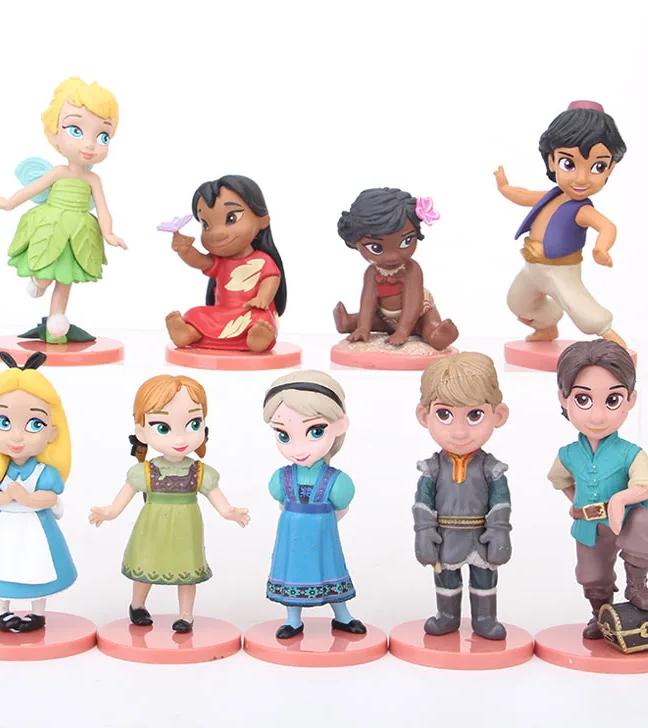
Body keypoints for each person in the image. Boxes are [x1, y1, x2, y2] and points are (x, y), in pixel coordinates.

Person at [89, 375, 250, 632]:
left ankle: (186, 615)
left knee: (186, 571)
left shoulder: (200, 472)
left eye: (193, 424)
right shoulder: (143, 472)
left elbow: (219, 501)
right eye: (163, 428)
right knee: (146, 565)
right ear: (141, 430)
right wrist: (108, 512)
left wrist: (230, 512)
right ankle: (137, 606)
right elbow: (119, 503)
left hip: (186, 528)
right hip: (152, 527)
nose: (180, 439)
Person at [0, 77, 126, 343]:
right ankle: (39, 282)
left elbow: (103, 209)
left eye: (102, 136)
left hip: (79, 232)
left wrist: (108, 234)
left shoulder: (93, 179)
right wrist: (9, 203)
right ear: (54, 134)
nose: (90, 144)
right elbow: (32, 190)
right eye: (76, 130)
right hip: (51, 224)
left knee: (66, 277)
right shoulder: (58, 172)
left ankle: (57, 318)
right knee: (45, 269)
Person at [549, 340, 648, 638]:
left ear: (630, 400)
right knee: (591, 574)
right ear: (564, 399)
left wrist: (621, 500)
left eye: (612, 400)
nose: (598, 416)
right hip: (590, 526)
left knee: (645, 521)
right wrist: (579, 504)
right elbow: (559, 480)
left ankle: (637, 585)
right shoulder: (568, 454)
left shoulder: (630, 453)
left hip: (627, 521)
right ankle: (600, 615)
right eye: (583, 399)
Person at [495, 101, 627, 348]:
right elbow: (524, 196)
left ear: (610, 168)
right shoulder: (552, 196)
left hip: (561, 271)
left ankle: (611, 337)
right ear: (552, 161)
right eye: (569, 164)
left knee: (583, 309)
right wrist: (504, 187)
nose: (581, 178)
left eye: (597, 167)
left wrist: (601, 248)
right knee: (518, 302)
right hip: (532, 266)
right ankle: (547, 327)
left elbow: (607, 227)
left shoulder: (582, 210)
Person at [0, 352, 76, 633]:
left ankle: (37, 613)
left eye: (34, 425)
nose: (17, 436)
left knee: (37, 566)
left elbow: (50, 497)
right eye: (4, 423)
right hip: (3, 527)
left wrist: (27, 498)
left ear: (52, 433)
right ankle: (2, 612)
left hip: (35, 528)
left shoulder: (44, 473)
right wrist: (6, 497)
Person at [413, 352, 511, 639]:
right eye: (444, 415)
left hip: (481, 537)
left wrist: (499, 532)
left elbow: (501, 504)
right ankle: (447, 616)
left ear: (498, 415)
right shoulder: (432, 469)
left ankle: (485, 618)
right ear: (424, 416)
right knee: (445, 578)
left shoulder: (491, 469)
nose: (459, 432)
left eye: (474, 415)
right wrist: (424, 533)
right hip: (445, 537)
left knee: (485, 579)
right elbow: (422, 504)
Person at [262, 370, 365, 639]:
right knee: (291, 572)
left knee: (330, 569)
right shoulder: (281, 478)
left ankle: (342, 615)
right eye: (284, 435)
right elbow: (281, 501)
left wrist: (323, 521)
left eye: (315, 431)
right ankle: (293, 620)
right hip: (292, 535)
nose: (299, 448)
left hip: (323, 535)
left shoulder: (337, 481)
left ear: (339, 426)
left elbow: (342, 506)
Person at [165, 175, 287, 352]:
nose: (216, 233)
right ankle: (188, 333)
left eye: (231, 218)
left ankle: (257, 338)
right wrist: (185, 250)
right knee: (196, 313)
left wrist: (262, 298)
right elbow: (200, 261)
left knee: (261, 318)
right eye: (206, 224)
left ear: (262, 221)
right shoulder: (220, 262)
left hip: (249, 311)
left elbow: (272, 278)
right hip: (221, 313)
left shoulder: (263, 260)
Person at [334, 188, 458, 350]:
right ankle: (350, 323)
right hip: (386, 317)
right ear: (353, 242)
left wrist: (403, 331)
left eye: (406, 241)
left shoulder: (411, 269)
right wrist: (363, 327)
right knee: (371, 320)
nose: (392, 256)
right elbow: (368, 301)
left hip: (419, 315)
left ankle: (437, 334)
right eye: (376, 247)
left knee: (426, 326)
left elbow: (413, 302)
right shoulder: (372, 273)